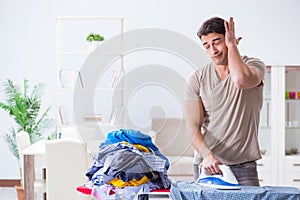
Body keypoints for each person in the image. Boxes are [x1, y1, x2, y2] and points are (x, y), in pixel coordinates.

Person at [185, 16, 266, 186]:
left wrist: (232, 47)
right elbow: (192, 127)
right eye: (207, 45)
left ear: (230, 40)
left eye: (217, 42)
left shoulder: (254, 65)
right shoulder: (197, 79)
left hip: (243, 165)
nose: (213, 50)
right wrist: (207, 155)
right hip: (208, 164)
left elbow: (241, 80)